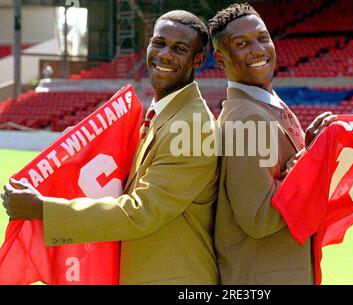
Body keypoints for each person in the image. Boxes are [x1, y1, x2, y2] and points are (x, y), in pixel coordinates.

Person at [1, 10, 219, 285]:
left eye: (180, 49)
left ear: (197, 60)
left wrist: (42, 209)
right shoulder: (164, 114)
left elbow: (142, 211)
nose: (164, 54)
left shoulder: (193, 126)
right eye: (159, 43)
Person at [208, 3, 336, 284]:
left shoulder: (265, 105)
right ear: (220, 59)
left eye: (262, 37)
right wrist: (309, 159)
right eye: (242, 43)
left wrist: (309, 152)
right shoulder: (248, 118)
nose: (257, 49)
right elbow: (259, 218)